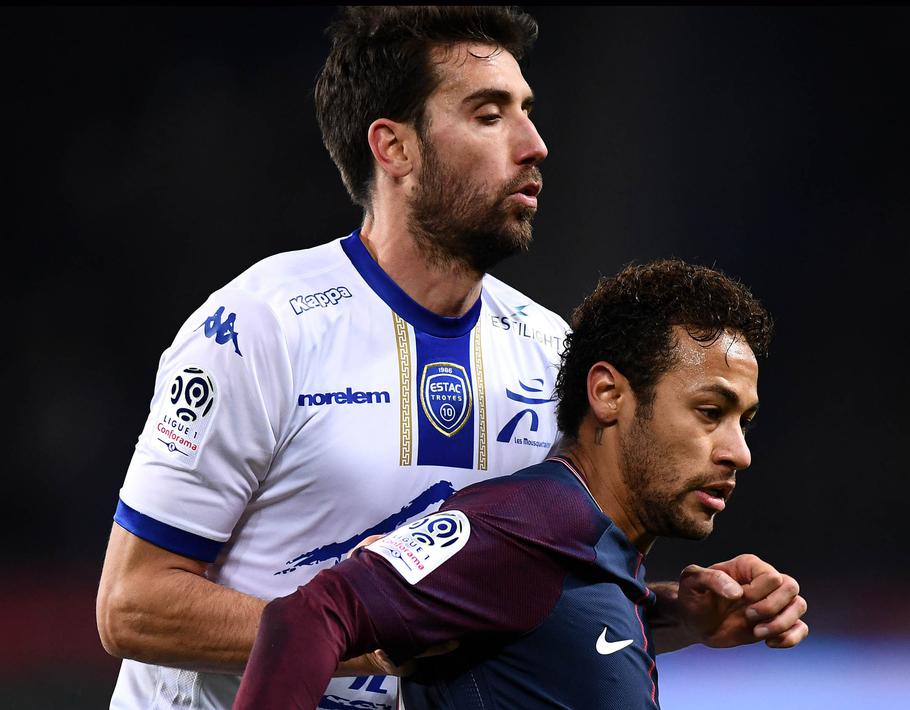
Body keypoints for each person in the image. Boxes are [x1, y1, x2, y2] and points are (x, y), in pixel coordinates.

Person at [96, 7, 806, 710]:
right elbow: (131, 607)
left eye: (527, 111)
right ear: (394, 148)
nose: (534, 144)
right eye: (489, 115)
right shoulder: (262, 327)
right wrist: (371, 628)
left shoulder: (551, 351)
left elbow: (516, 597)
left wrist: (678, 618)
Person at [234, 258, 804, 709]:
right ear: (608, 395)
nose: (740, 453)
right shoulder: (524, 522)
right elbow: (309, 616)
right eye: (710, 411)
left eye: (744, 423)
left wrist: (674, 615)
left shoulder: (591, 551)